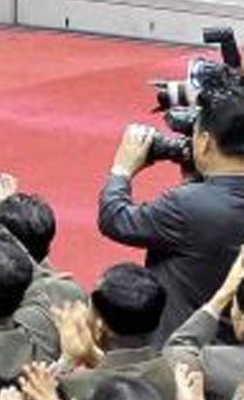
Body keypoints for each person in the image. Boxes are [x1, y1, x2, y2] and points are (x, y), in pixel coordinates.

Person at [99, 84, 244, 337]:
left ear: (205, 142)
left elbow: (115, 219)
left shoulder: (187, 205)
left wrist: (121, 171)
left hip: (188, 347)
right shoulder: (195, 202)